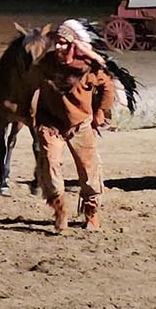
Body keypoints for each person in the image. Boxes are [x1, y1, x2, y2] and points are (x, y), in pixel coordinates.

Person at [31, 20, 117, 233]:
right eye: (57, 43)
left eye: (63, 43)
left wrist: (99, 112)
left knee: (88, 171)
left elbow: (107, 86)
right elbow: (29, 78)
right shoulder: (47, 63)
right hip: (50, 125)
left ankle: (91, 213)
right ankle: (59, 210)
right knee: (50, 166)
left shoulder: (88, 67)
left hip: (80, 124)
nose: (59, 47)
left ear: (73, 45)